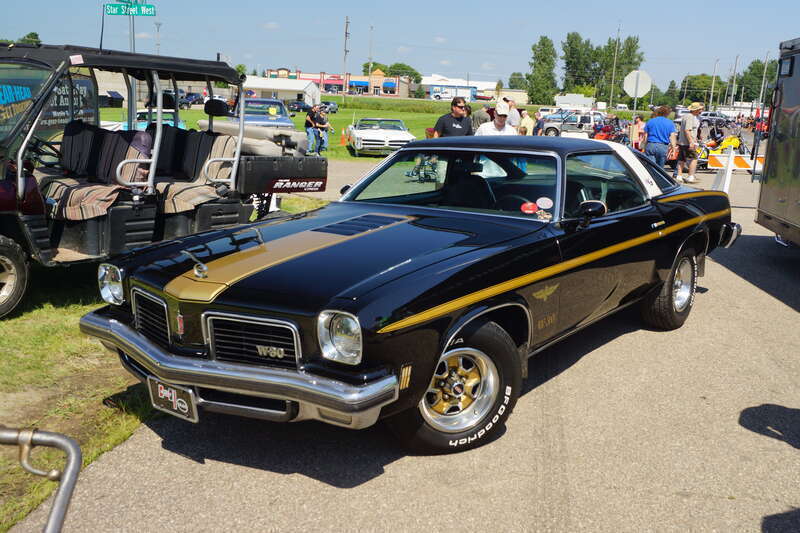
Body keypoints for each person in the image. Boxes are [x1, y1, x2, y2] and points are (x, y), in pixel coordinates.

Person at [676, 102, 703, 183]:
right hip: (688, 142)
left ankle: (679, 176)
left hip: (682, 141)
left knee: (682, 159)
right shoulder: (690, 117)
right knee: (694, 158)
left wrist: (697, 137)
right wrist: (691, 142)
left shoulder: (688, 116)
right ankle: (690, 176)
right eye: (700, 109)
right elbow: (687, 130)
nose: (701, 110)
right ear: (696, 110)